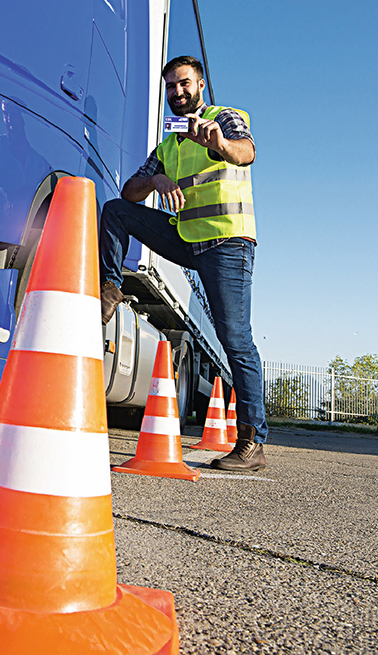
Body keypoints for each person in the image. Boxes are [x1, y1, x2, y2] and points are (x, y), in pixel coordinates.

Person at [99, 55, 266, 471]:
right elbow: (130, 190)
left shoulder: (225, 118)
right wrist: (155, 180)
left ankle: (252, 442)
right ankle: (109, 288)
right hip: (187, 238)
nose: (178, 92)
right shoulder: (169, 143)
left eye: (185, 84)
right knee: (117, 210)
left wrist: (221, 144)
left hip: (227, 243)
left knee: (236, 341)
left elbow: (246, 152)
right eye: (171, 86)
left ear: (202, 84)